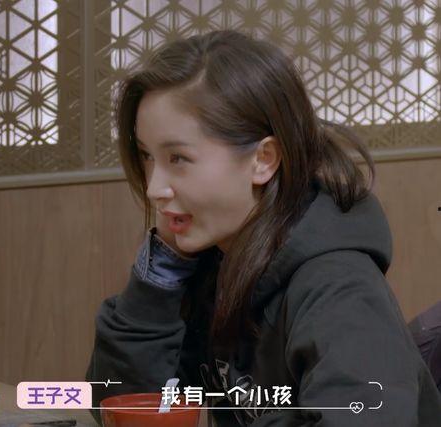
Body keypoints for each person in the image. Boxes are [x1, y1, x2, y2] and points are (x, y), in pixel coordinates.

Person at [86, 30, 441, 426]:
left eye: (178, 159)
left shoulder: (339, 287)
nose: (154, 188)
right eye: (147, 157)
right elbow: (122, 406)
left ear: (263, 160)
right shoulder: (207, 259)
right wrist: (160, 279)